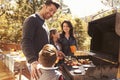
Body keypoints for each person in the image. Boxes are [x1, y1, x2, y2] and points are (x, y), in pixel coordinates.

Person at [21, 0, 60, 79]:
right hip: (36, 64)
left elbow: (46, 44)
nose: (52, 14)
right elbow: (25, 42)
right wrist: (33, 61)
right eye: (50, 10)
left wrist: (56, 51)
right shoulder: (32, 20)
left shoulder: (44, 23)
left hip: (44, 64)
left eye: (54, 12)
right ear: (44, 6)